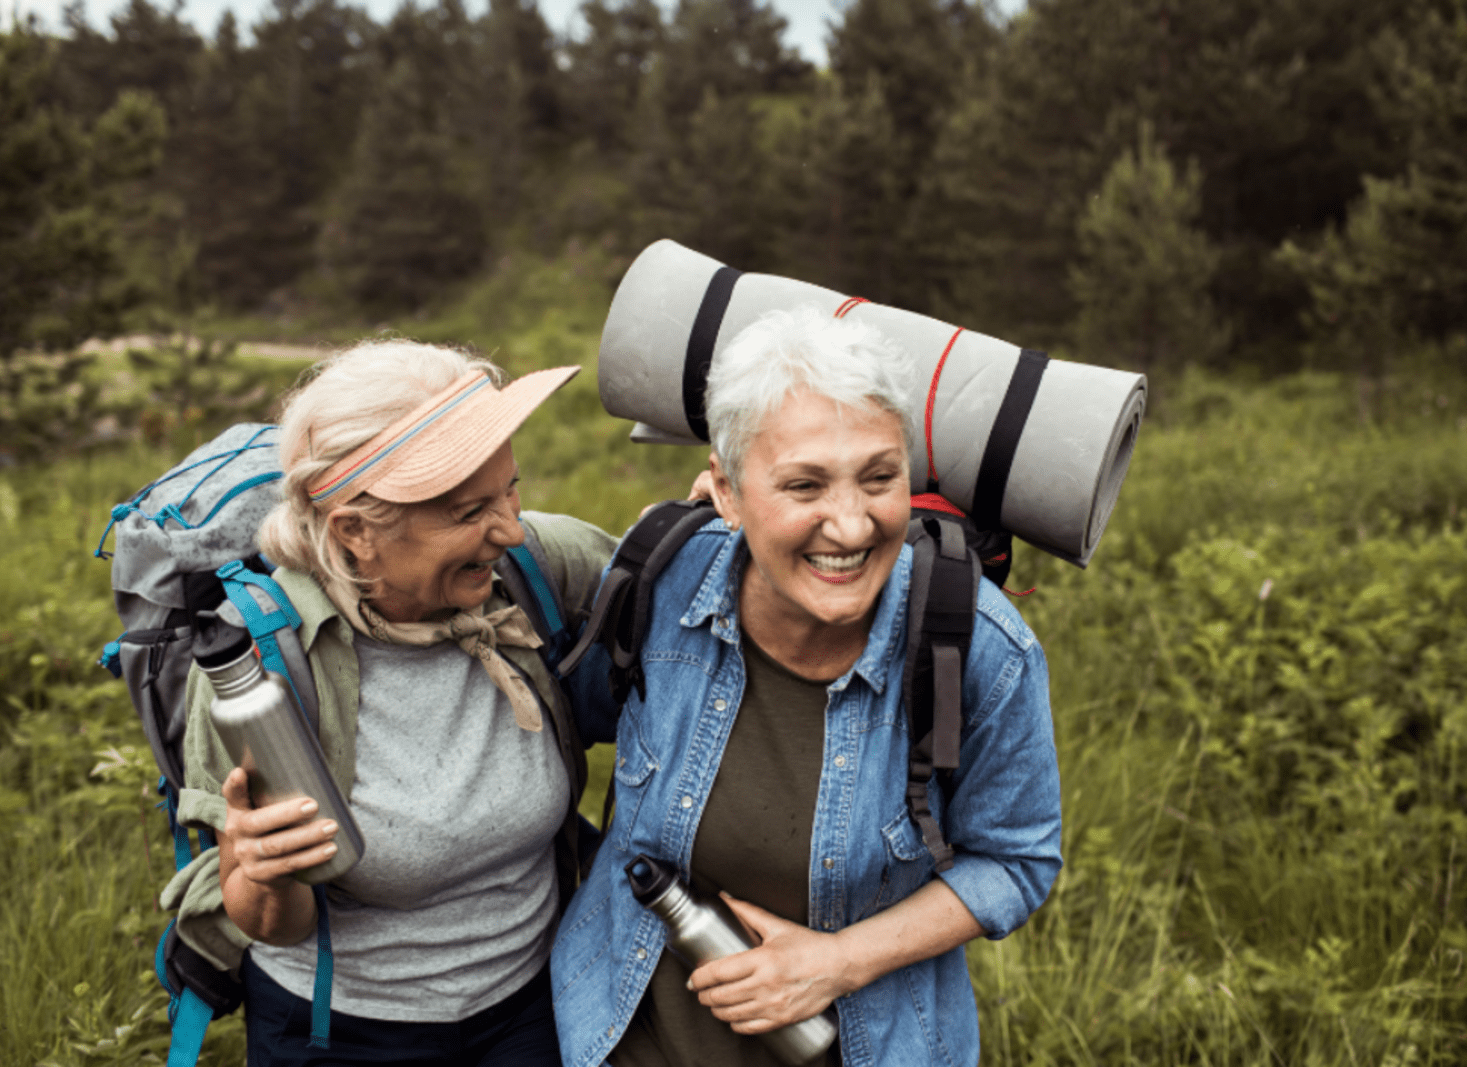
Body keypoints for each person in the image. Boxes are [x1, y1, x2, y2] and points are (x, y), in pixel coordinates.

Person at [552, 306, 1063, 1067]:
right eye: (804, 485)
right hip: (620, 1037)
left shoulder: (975, 645)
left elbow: (1018, 860)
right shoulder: (659, 584)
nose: (851, 526)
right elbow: (564, 724)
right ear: (725, 492)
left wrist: (840, 961)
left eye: (879, 477)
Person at [163, 340, 619, 1066]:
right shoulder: (261, 663)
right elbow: (271, 922)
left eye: (510, 489)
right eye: (469, 510)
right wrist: (261, 872)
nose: (508, 527)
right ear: (355, 531)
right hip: (343, 1032)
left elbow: (697, 598)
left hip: (533, 1004)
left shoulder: (531, 569)